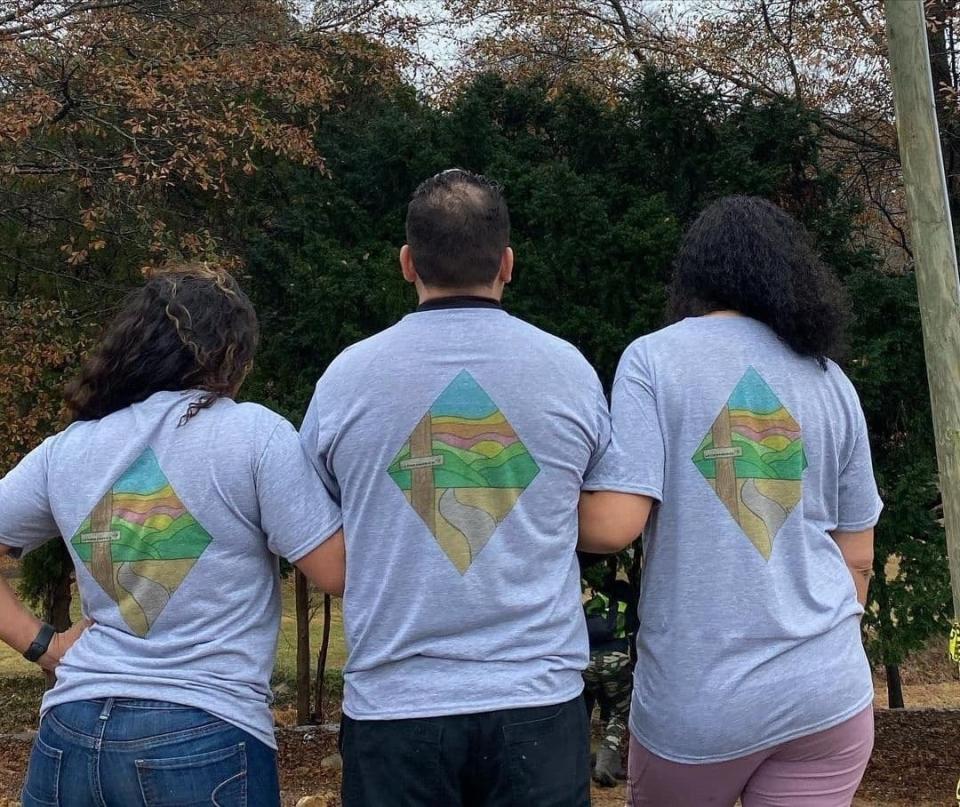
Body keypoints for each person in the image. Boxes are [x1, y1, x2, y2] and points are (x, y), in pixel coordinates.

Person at [300, 169, 610, 806]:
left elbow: (316, 518)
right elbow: (602, 511)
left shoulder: (346, 379)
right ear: (507, 264)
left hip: (394, 708)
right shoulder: (568, 371)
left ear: (407, 263)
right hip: (538, 703)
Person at [0, 264, 345, 807]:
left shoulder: (68, 449)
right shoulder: (254, 435)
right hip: (202, 731)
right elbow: (334, 571)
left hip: (70, 732)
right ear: (229, 354)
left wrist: (41, 644)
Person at [579, 196, 882, 807]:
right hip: (827, 695)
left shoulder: (654, 360)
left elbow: (616, 525)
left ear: (695, 275)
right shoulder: (831, 380)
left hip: (699, 701)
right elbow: (859, 558)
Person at [580, 555, 636, 787]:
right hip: (616, 663)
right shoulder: (626, 607)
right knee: (619, 714)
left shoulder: (593, 604)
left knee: (583, 713)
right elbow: (635, 640)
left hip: (586, 663)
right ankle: (604, 764)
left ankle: (579, 763)